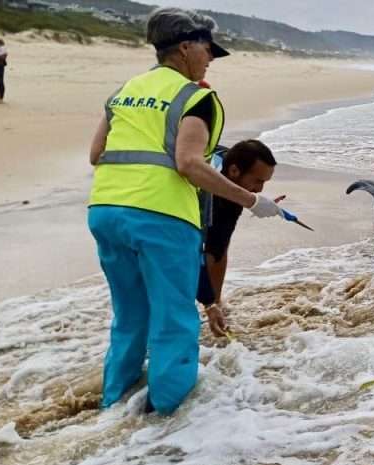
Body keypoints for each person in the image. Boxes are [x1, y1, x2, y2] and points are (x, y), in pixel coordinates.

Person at [87, 7, 284, 415]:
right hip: (160, 217)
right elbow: (189, 164)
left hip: (106, 211)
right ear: (185, 47)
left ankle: (113, 406)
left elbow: (96, 154)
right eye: (208, 49)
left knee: (130, 316)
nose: (210, 58)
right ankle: (167, 420)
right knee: (174, 320)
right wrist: (253, 201)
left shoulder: (124, 91)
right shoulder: (196, 97)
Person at [196, 140, 282, 337]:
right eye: (258, 181)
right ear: (234, 171)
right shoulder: (220, 200)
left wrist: (258, 202)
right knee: (205, 250)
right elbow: (208, 254)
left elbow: (220, 248)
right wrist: (208, 303)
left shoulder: (229, 158)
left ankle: (217, 301)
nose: (260, 189)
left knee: (220, 245)